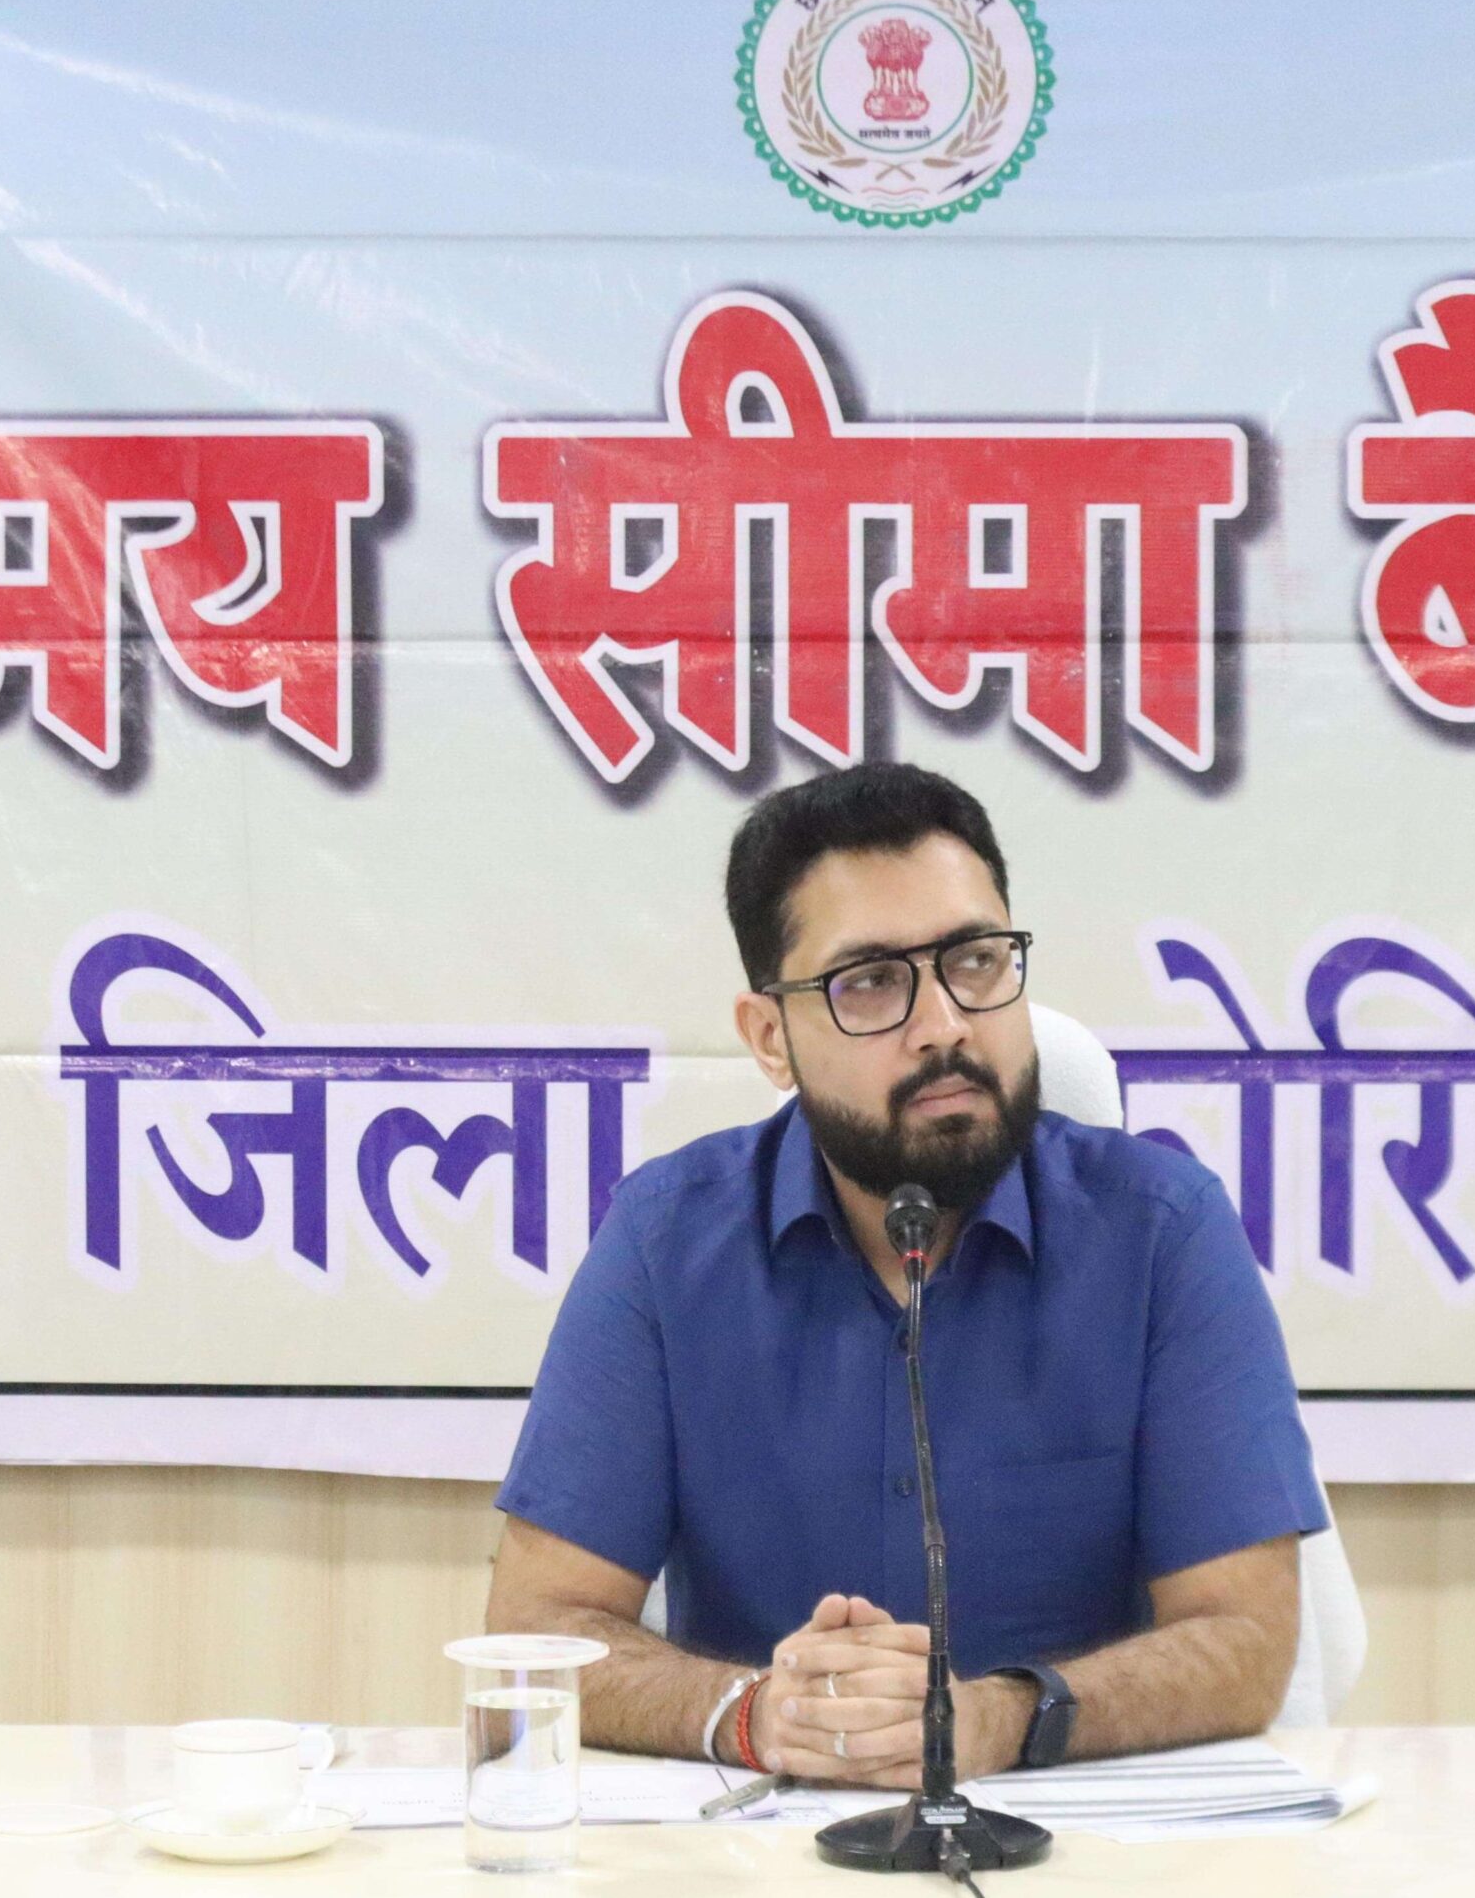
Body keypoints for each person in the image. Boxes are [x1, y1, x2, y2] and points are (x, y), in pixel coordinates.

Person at [486, 763, 1325, 1789]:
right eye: (872, 981)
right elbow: (535, 1635)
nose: (945, 1024)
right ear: (770, 1037)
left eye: (975, 959)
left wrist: (999, 1716)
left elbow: (1247, 1639)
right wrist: (760, 1714)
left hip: (1078, 1830)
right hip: (761, 1837)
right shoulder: (667, 1241)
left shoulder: (1162, 1231)